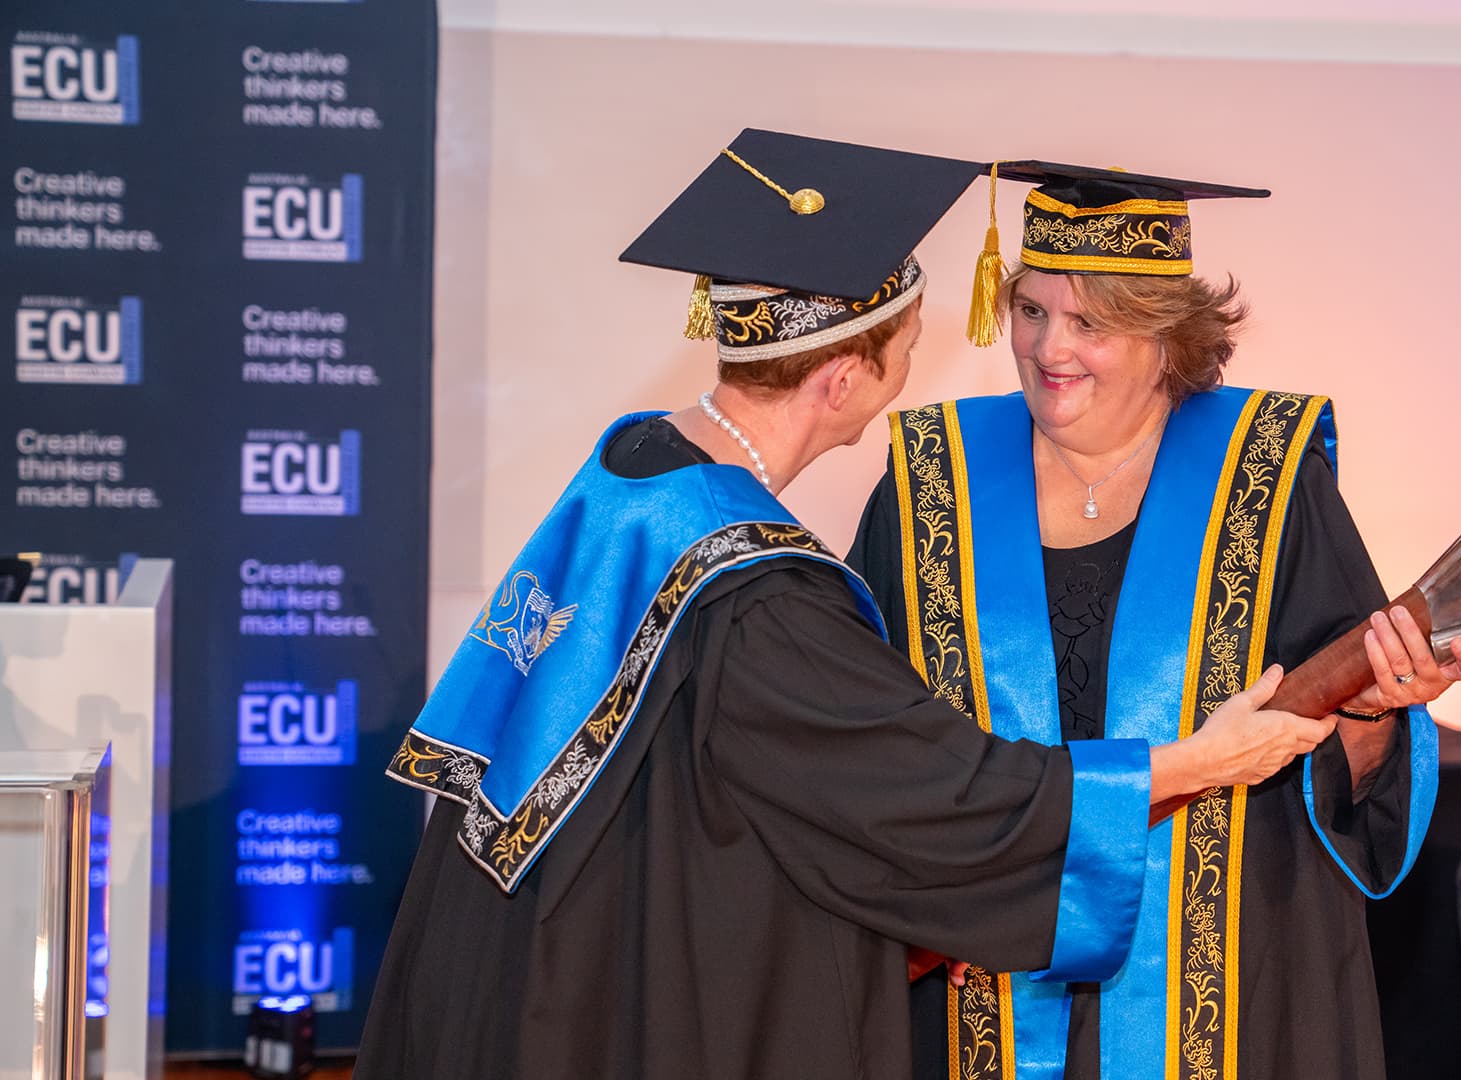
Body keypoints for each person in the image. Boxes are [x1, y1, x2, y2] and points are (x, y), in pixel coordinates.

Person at [354, 132, 1334, 1080]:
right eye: (908, 344)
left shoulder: (633, 473)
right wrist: (1202, 760)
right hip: (614, 1001)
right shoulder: (761, 596)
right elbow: (945, 791)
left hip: (496, 958)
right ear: (839, 379)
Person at [848, 161, 1461, 1079]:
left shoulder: (1265, 476)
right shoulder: (928, 482)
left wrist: (1378, 710)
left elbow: (1338, 762)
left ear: (1166, 336)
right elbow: (870, 747)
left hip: (1221, 979)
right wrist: (917, 902)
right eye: (1031, 311)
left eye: (1090, 323)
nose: (1047, 348)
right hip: (976, 979)